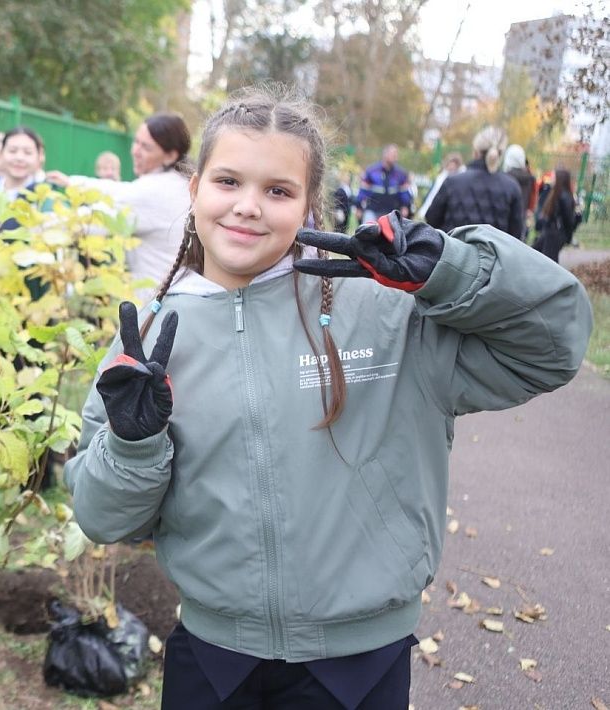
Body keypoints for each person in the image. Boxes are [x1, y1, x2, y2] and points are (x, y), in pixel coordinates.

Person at [64, 86, 591, 710]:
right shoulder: (148, 338)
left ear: (311, 203)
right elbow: (103, 519)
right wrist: (131, 444)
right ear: (195, 186)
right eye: (228, 181)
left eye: (278, 191)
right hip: (212, 658)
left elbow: (554, 344)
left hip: (358, 668)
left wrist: (453, 269)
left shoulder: (386, 312)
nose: (248, 207)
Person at [46, 113, 193, 291]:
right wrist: (73, 182)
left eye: (145, 147)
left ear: (170, 156)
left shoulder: (151, 192)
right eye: (136, 142)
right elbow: (121, 190)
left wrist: (36, 224)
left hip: (154, 302)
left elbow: (92, 221)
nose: (135, 151)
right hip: (176, 294)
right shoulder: (179, 181)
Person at [425, 126, 525, 239]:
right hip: (494, 256)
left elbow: (431, 219)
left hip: (454, 254)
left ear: (476, 151)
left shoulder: (452, 182)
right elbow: (516, 234)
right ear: (500, 154)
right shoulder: (512, 187)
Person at [356, 143, 412, 222]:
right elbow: (363, 191)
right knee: (367, 230)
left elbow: (404, 193)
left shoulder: (400, 174)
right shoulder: (372, 171)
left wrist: (405, 206)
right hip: (373, 211)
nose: (396, 157)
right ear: (385, 154)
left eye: (397, 154)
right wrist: (359, 207)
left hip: (392, 213)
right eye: (393, 154)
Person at [534, 168, 581, 263]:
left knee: (549, 261)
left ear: (560, 179)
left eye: (553, 176)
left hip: (556, 233)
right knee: (535, 252)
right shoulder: (556, 193)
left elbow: (568, 220)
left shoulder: (564, 196)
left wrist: (568, 236)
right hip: (550, 231)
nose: (551, 178)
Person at [415, 151, 463, 220]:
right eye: (450, 165)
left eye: (453, 165)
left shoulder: (459, 179)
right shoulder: (441, 178)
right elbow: (432, 194)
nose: (451, 167)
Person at [503, 144, 537, 227]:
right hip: (522, 218)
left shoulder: (504, 178)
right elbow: (533, 198)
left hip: (505, 219)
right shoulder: (530, 178)